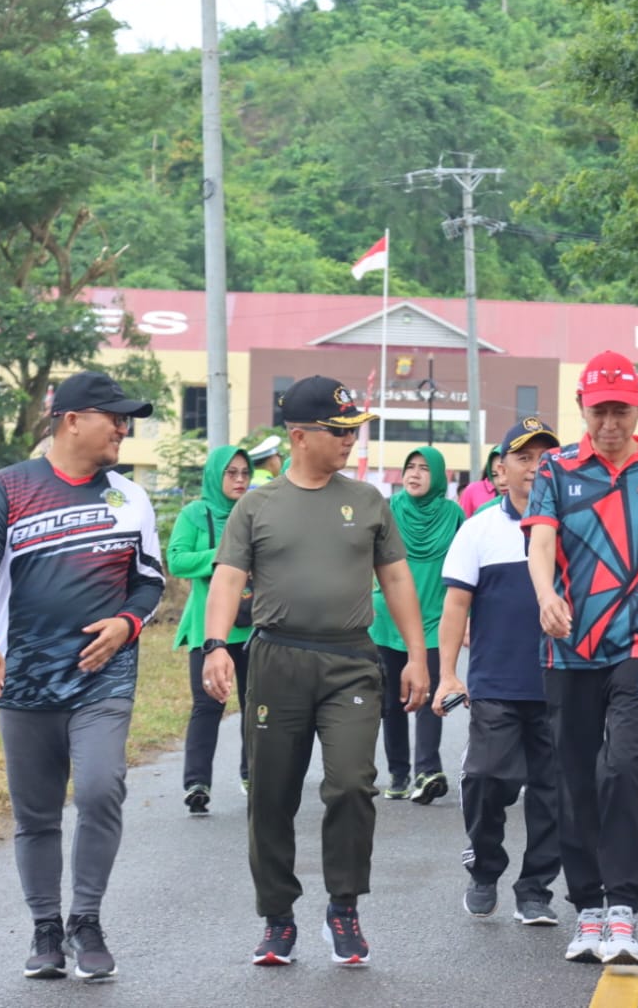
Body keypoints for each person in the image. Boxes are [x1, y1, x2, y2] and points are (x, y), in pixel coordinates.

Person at [201, 375, 430, 969]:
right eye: (340, 430)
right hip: (277, 660)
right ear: (299, 435)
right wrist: (216, 645)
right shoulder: (257, 504)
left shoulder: (370, 501)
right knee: (271, 795)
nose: (351, 440)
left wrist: (419, 655)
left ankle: (344, 906)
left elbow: (397, 578)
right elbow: (228, 578)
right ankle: (278, 918)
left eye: (355, 429)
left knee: (353, 783)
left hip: (352, 660)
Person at [0, 371, 164, 981]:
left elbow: (150, 580)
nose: (124, 429)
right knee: (38, 813)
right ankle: (46, 928)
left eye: (127, 419)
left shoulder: (130, 497)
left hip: (103, 678)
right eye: (115, 417)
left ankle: (86, 919)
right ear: (73, 419)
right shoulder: (9, 487)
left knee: (102, 787)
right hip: (24, 678)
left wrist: (128, 623)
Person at [524, 349, 638, 968]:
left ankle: (622, 910)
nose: (610, 424)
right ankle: (588, 911)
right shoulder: (556, 468)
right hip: (569, 646)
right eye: (599, 411)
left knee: (623, 768)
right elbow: (540, 537)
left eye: (621, 411)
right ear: (582, 409)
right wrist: (545, 595)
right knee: (573, 778)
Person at [433, 418, 564, 926]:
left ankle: (535, 890)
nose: (535, 468)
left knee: (553, 793)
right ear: (500, 471)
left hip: (561, 682)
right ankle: (484, 867)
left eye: (544, 458)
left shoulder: (571, 524)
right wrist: (448, 673)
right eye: (524, 458)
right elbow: (455, 607)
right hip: (497, 684)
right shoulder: (480, 529)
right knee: (486, 778)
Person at [372, 447, 464, 803]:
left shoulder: (453, 515)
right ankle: (398, 773)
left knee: (429, 696)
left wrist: (466, 616)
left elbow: (465, 569)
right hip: (388, 619)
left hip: (436, 619)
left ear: (439, 476)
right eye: (409, 467)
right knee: (392, 700)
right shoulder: (389, 510)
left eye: (424, 469)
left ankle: (427, 770)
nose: (414, 474)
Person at [168, 445, 255, 813]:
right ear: (215, 476)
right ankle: (197, 783)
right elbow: (176, 559)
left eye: (244, 473)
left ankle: (254, 775)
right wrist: (224, 555)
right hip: (209, 628)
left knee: (256, 705)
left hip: (253, 625)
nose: (238, 480)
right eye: (230, 473)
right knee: (207, 705)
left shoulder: (255, 511)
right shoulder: (195, 513)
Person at [457, 446, 506, 517]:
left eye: (506, 472)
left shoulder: (527, 506)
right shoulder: (473, 491)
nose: (501, 481)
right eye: (494, 474)